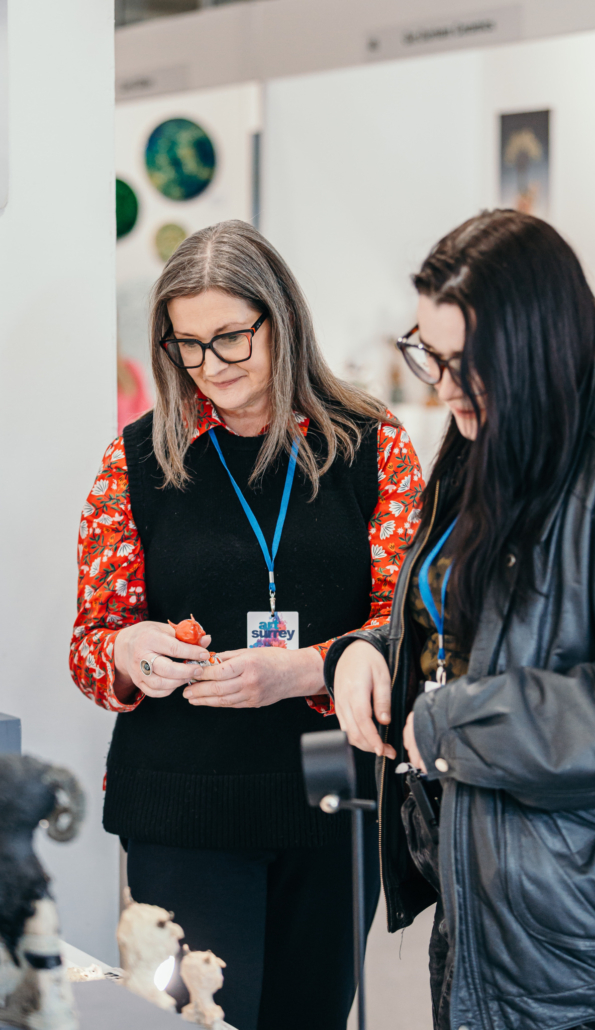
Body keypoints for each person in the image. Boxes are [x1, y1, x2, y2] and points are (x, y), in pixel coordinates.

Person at [327, 210, 595, 1030]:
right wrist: (372, 652)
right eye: (428, 354)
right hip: (486, 910)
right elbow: (469, 625)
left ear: (534, 345)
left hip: (587, 952)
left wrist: (464, 726)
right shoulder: (485, 432)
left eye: (464, 364)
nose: (442, 387)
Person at [70, 220, 424, 1030]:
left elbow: (411, 631)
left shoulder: (372, 447)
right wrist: (126, 648)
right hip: (179, 810)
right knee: (195, 1023)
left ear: (282, 317)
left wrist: (304, 670)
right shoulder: (137, 460)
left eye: (231, 338)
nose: (211, 365)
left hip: (332, 804)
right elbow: (91, 642)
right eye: (188, 345)